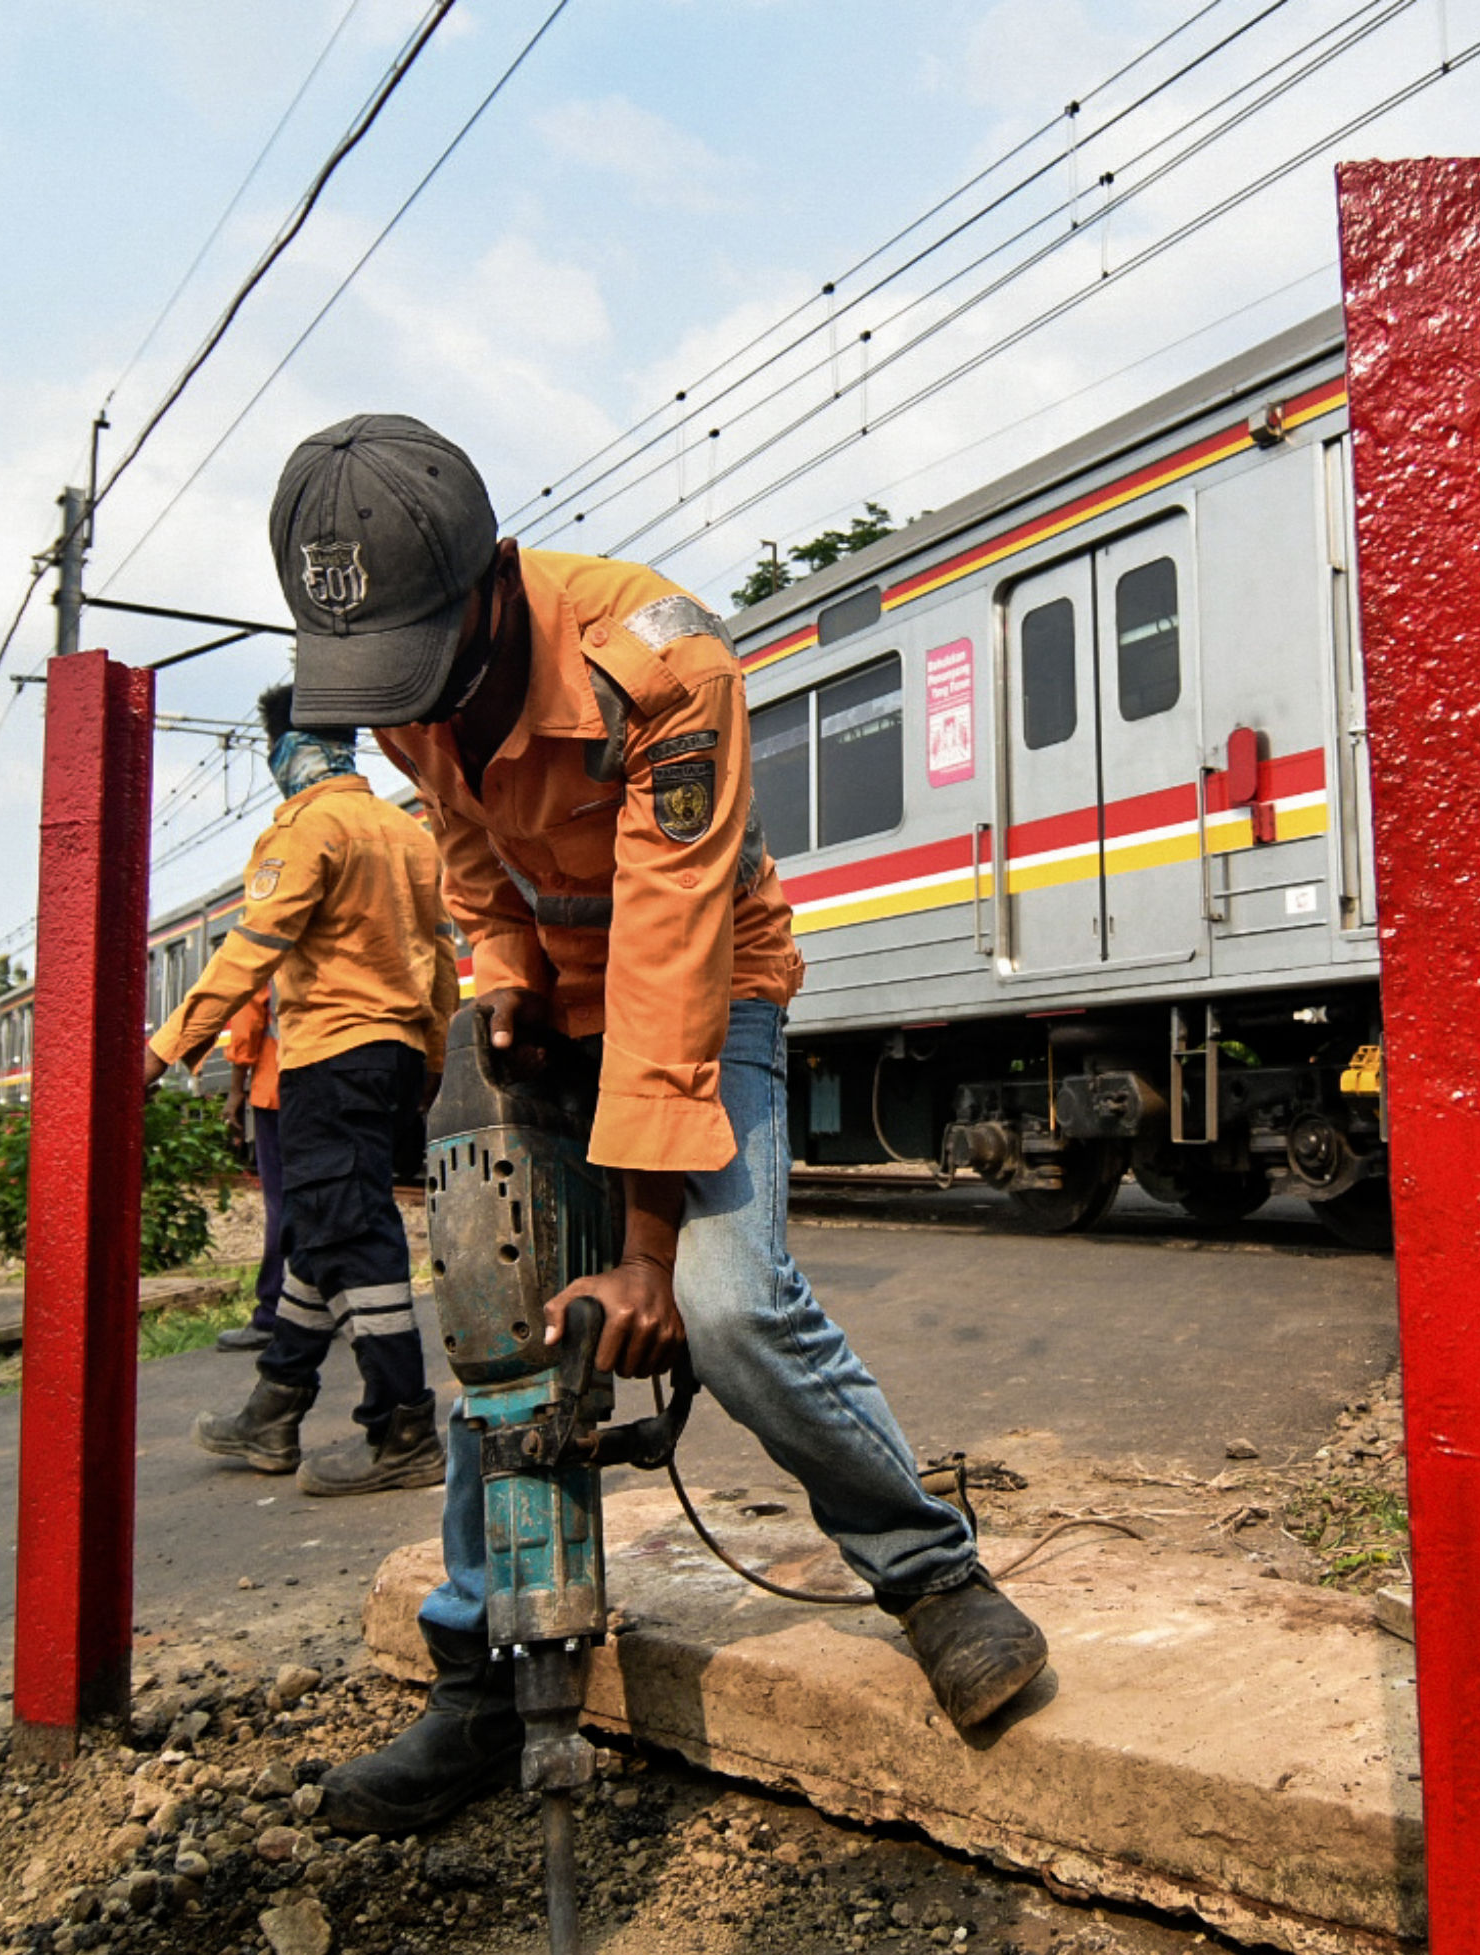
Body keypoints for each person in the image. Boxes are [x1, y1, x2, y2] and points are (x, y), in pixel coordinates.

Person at [261, 413, 1049, 1835]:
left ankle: (934, 1574)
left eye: (424, 666)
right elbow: (468, 857)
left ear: (497, 576)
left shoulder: (660, 662)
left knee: (727, 1304)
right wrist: (500, 985)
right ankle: (483, 1680)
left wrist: (640, 1252)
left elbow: (674, 959)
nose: (408, 707)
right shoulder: (400, 676)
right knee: (494, 1325)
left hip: (706, 990)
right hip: (556, 1000)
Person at [144, 693, 459, 1494]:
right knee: (319, 1231)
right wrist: (428, 1059)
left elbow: (254, 946)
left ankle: (402, 1430)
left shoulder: (305, 830)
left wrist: (164, 1047)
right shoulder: (408, 834)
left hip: (329, 1057)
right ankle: (273, 1411)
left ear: (287, 751)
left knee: (352, 1234)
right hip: (389, 1056)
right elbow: (439, 961)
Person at [213, 994, 285, 1354]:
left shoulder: (269, 938)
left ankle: (273, 1315)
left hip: (279, 1087)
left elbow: (248, 1017)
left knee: (282, 1206)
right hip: (343, 1081)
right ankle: (320, 1312)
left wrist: (235, 1090)